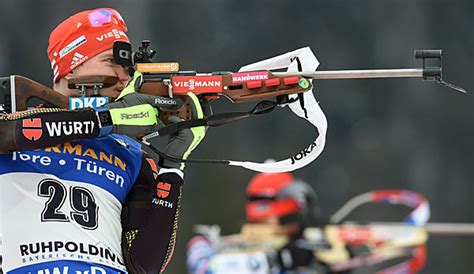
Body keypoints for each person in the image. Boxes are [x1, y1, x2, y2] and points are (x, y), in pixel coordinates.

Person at [0, 8, 205, 273]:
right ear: (71, 67)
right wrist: (105, 120)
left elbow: (144, 265)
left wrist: (173, 168)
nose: (124, 77)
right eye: (111, 61)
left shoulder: (129, 153)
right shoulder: (13, 123)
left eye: (128, 67)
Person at [186, 171, 326, 274]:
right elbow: (205, 268)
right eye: (285, 220)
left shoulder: (308, 248)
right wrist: (277, 260)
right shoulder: (205, 247)